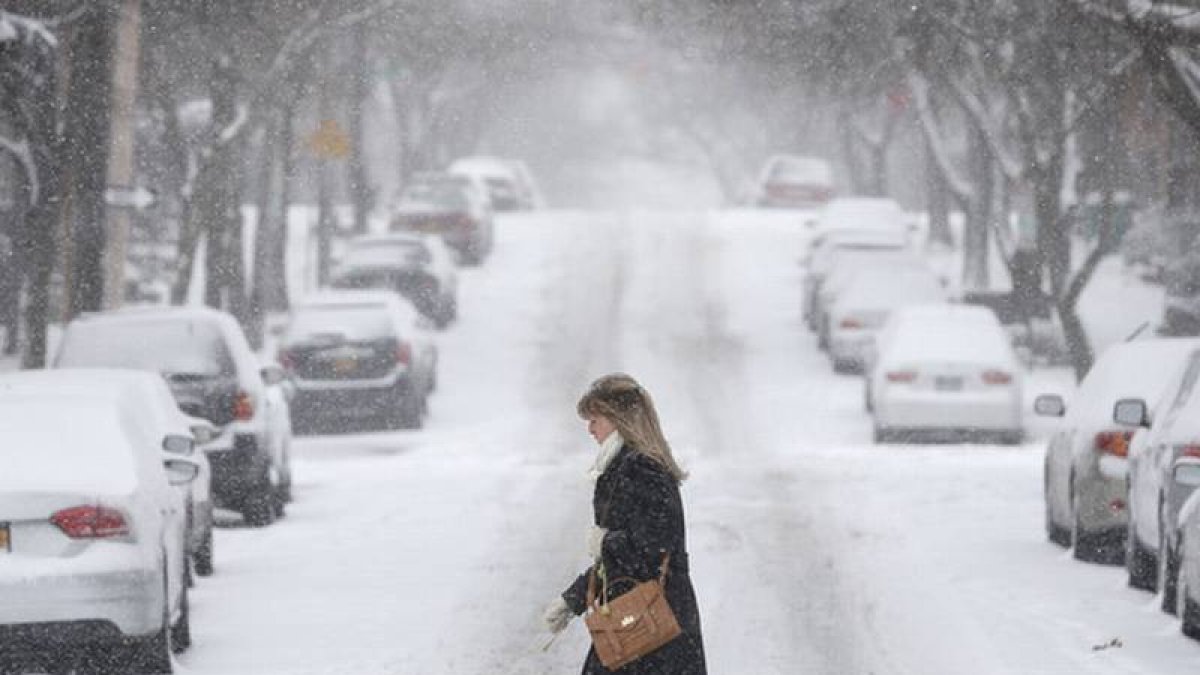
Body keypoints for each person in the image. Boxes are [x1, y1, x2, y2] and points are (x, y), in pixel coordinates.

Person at [542, 373, 706, 674]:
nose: (590, 429)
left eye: (595, 419)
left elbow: (650, 551)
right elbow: (627, 559)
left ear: (619, 418)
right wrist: (573, 599)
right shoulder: (625, 465)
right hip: (645, 623)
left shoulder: (641, 468)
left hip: (652, 626)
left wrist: (603, 541)